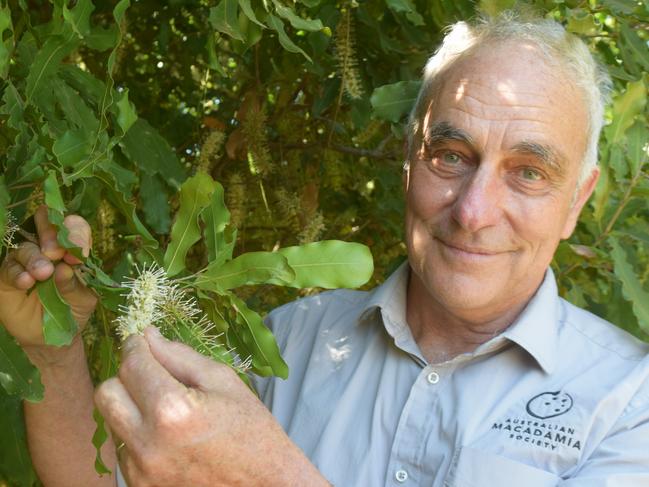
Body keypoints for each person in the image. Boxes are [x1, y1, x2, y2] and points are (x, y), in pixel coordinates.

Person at [1, 12, 648, 487]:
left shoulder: (630, 404)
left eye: (528, 171)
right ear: (406, 161)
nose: (474, 210)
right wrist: (52, 350)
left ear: (577, 200)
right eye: (450, 155)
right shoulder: (287, 340)